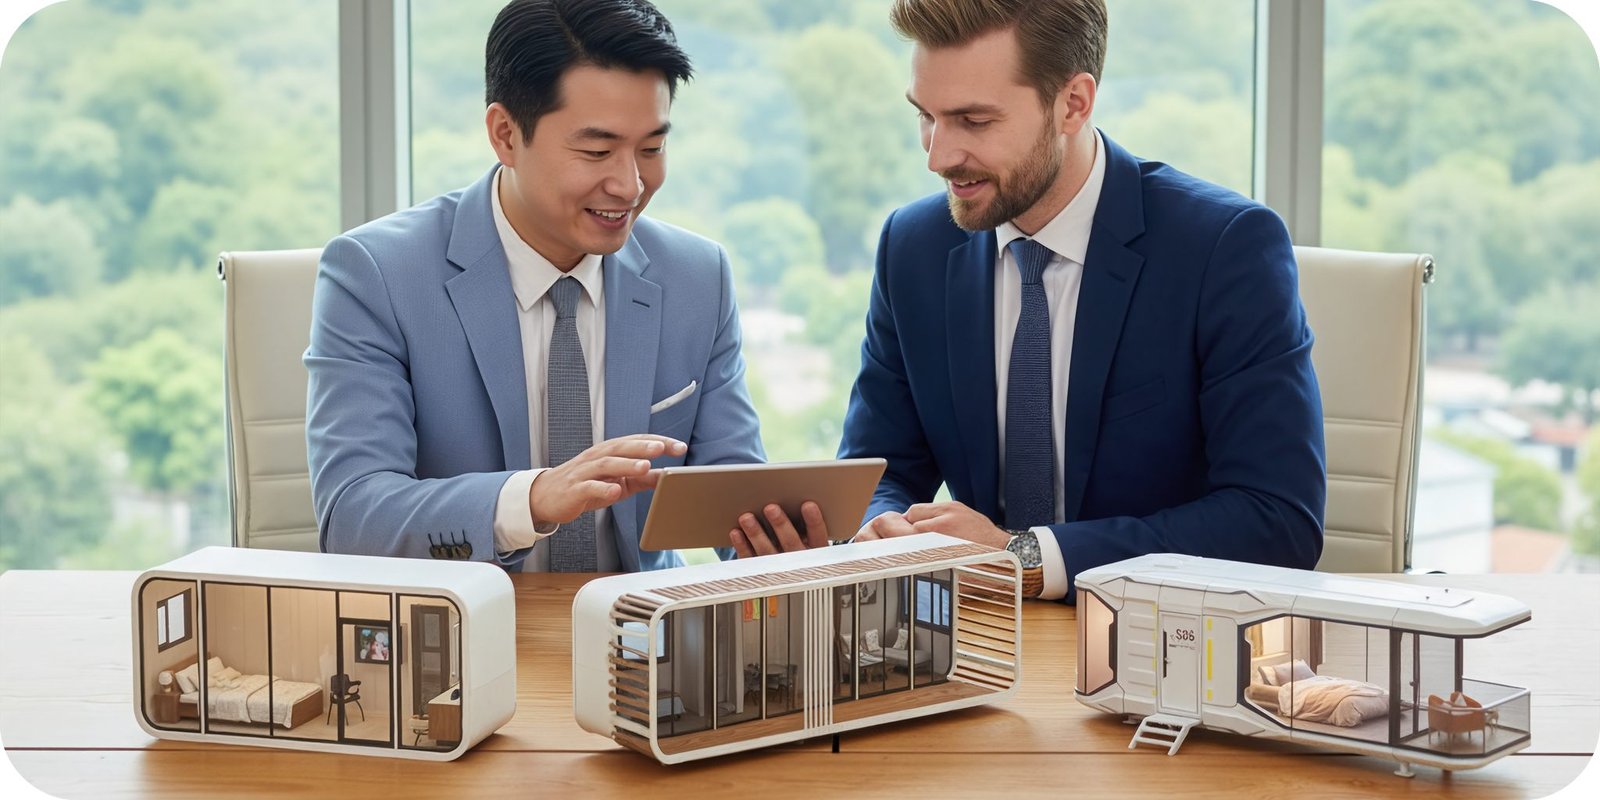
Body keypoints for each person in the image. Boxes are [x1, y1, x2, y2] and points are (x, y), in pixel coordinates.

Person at [832, 0, 1326, 599]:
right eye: (926, 116)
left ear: (1073, 103)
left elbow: (1277, 521)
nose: (938, 155)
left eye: (974, 121)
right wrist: (881, 531)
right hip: (981, 640)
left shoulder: (1223, 248)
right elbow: (879, 471)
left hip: (1163, 649)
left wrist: (1025, 557)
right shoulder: (913, 247)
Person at [306, 0, 777, 572]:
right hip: (459, 641)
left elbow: (740, 502)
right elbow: (353, 515)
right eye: (597, 151)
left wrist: (782, 539)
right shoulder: (376, 275)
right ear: (506, 134)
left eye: (651, 149)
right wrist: (530, 499)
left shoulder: (697, 277)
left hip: (642, 638)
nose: (630, 185)